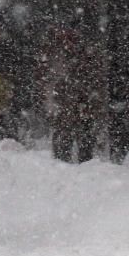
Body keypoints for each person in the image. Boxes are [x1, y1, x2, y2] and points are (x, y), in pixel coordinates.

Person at [41, 24, 101, 164]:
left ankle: (80, 165)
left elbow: (93, 80)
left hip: (78, 104)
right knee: (66, 138)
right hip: (68, 104)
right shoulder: (56, 55)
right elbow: (48, 80)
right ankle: (65, 164)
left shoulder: (82, 56)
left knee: (81, 138)